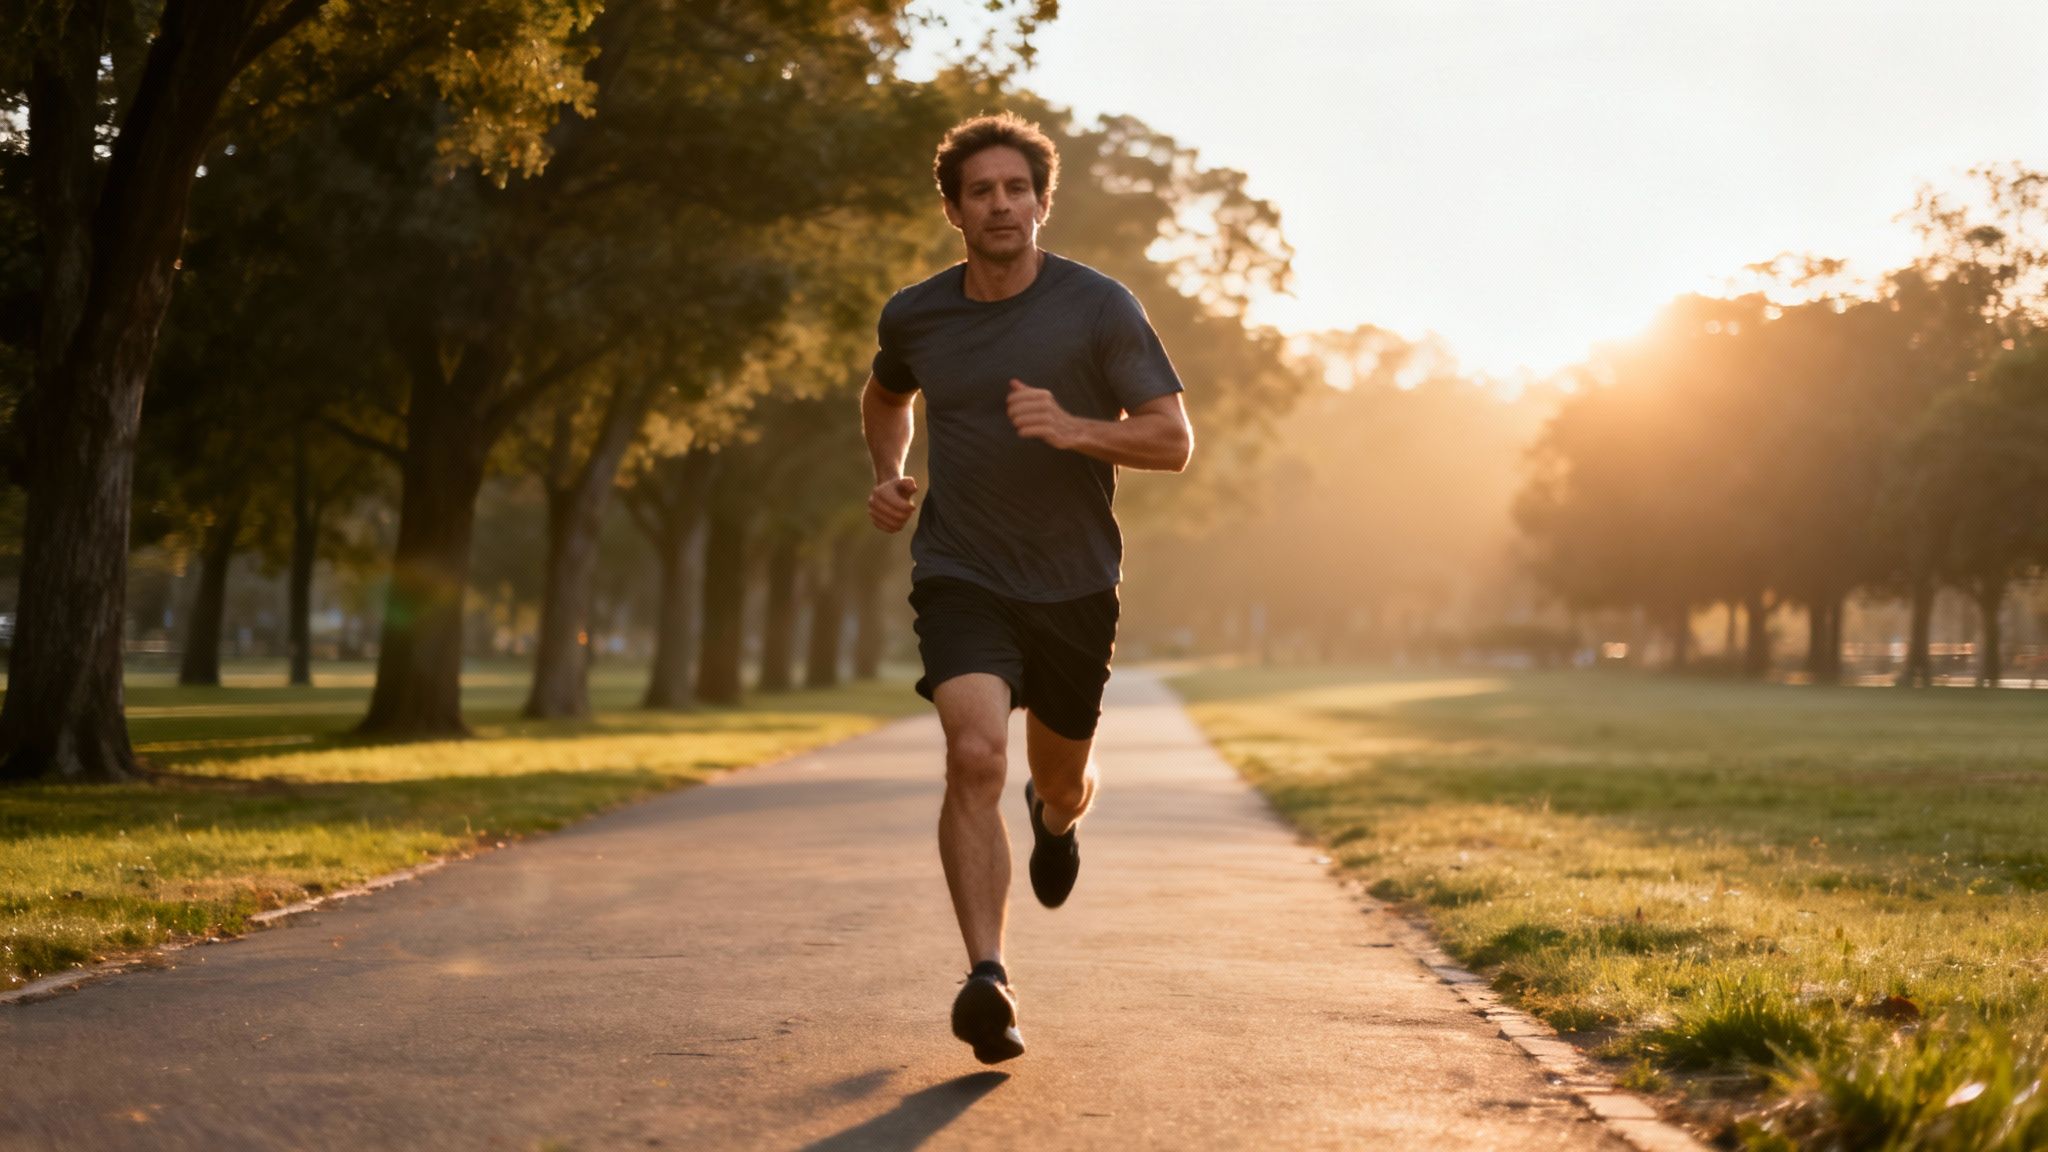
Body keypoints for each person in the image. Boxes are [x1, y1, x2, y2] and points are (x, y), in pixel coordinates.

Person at [860, 113, 1194, 1064]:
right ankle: (988, 979)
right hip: (961, 569)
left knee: (1054, 778)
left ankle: (1058, 823)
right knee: (973, 756)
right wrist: (889, 471)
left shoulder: (1098, 308)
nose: (1000, 205)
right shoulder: (916, 314)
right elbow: (888, 394)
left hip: (1075, 584)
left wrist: (1076, 428)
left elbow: (1172, 439)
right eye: (981, 192)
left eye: (1017, 190)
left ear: (1042, 203)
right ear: (955, 211)